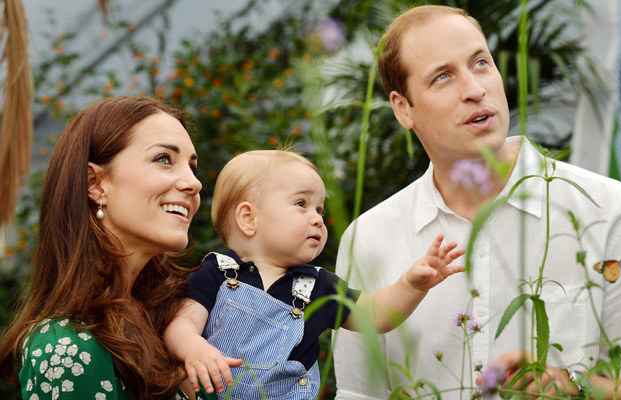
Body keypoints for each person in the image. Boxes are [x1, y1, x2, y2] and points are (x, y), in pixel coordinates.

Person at [333, 4, 621, 399]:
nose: (475, 90)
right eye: (443, 76)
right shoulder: (368, 238)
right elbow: (360, 394)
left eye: (481, 63)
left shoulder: (608, 209)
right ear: (403, 108)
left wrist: (573, 386)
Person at [163, 149, 465, 399]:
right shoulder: (216, 273)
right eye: (301, 204)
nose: (318, 219)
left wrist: (411, 284)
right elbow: (182, 324)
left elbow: (376, 314)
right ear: (248, 218)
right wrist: (194, 348)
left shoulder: (317, 286)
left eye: (319, 210)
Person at [0, 96, 204, 399]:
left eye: (192, 167)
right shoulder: (66, 348)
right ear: (95, 184)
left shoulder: (182, 319)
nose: (194, 183)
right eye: (163, 159)